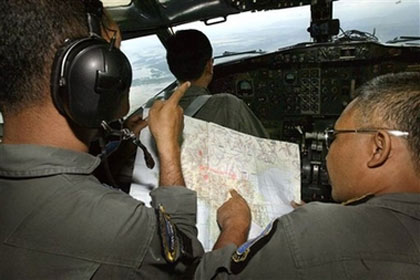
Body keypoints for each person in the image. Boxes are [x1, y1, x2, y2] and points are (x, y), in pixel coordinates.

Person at [0, 1, 216, 278]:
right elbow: (185, 256)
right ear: (90, 73)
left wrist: (121, 140)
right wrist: (168, 147)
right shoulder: (117, 227)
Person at [194, 72, 420, 279]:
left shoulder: (313, 232)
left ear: (378, 148)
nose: (328, 149)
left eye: (335, 136)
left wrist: (236, 225)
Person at [166, 29, 269, 138]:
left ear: (172, 68)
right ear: (209, 66)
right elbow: (266, 149)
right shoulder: (228, 105)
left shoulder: (156, 113)